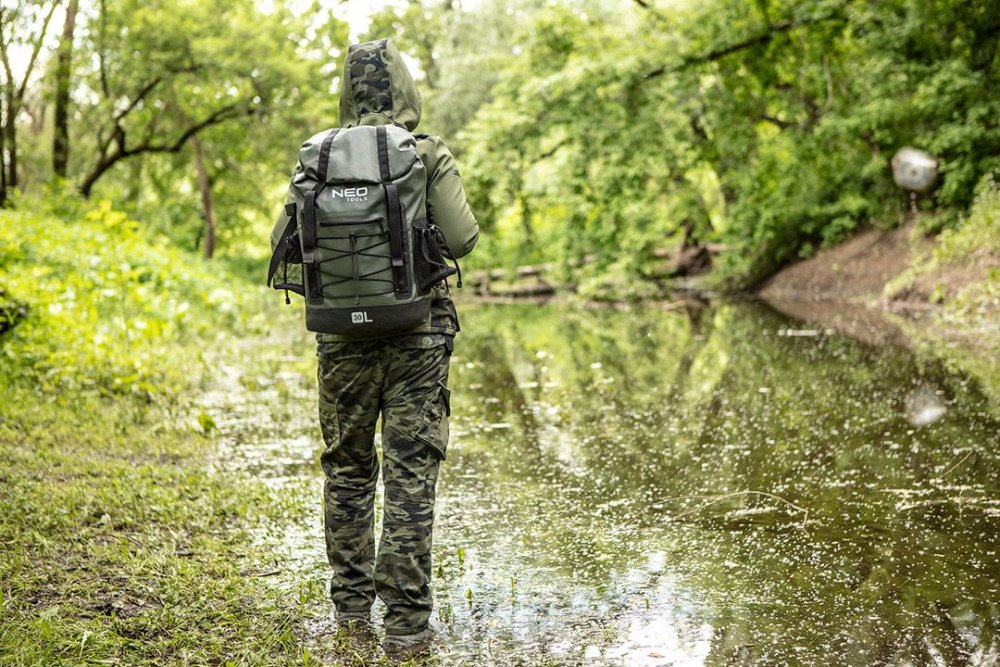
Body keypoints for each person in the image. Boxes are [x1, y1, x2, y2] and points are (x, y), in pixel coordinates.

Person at [271, 38, 478, 660]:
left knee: (349, 469)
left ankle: (351, 610)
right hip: (420, 335)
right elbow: (464, 241)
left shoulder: (317, 156)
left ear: (347, 93)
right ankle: (409, 624)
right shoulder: (425, 152)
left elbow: (285, 242)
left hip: (340, 340)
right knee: (412, 471)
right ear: (408, 90)